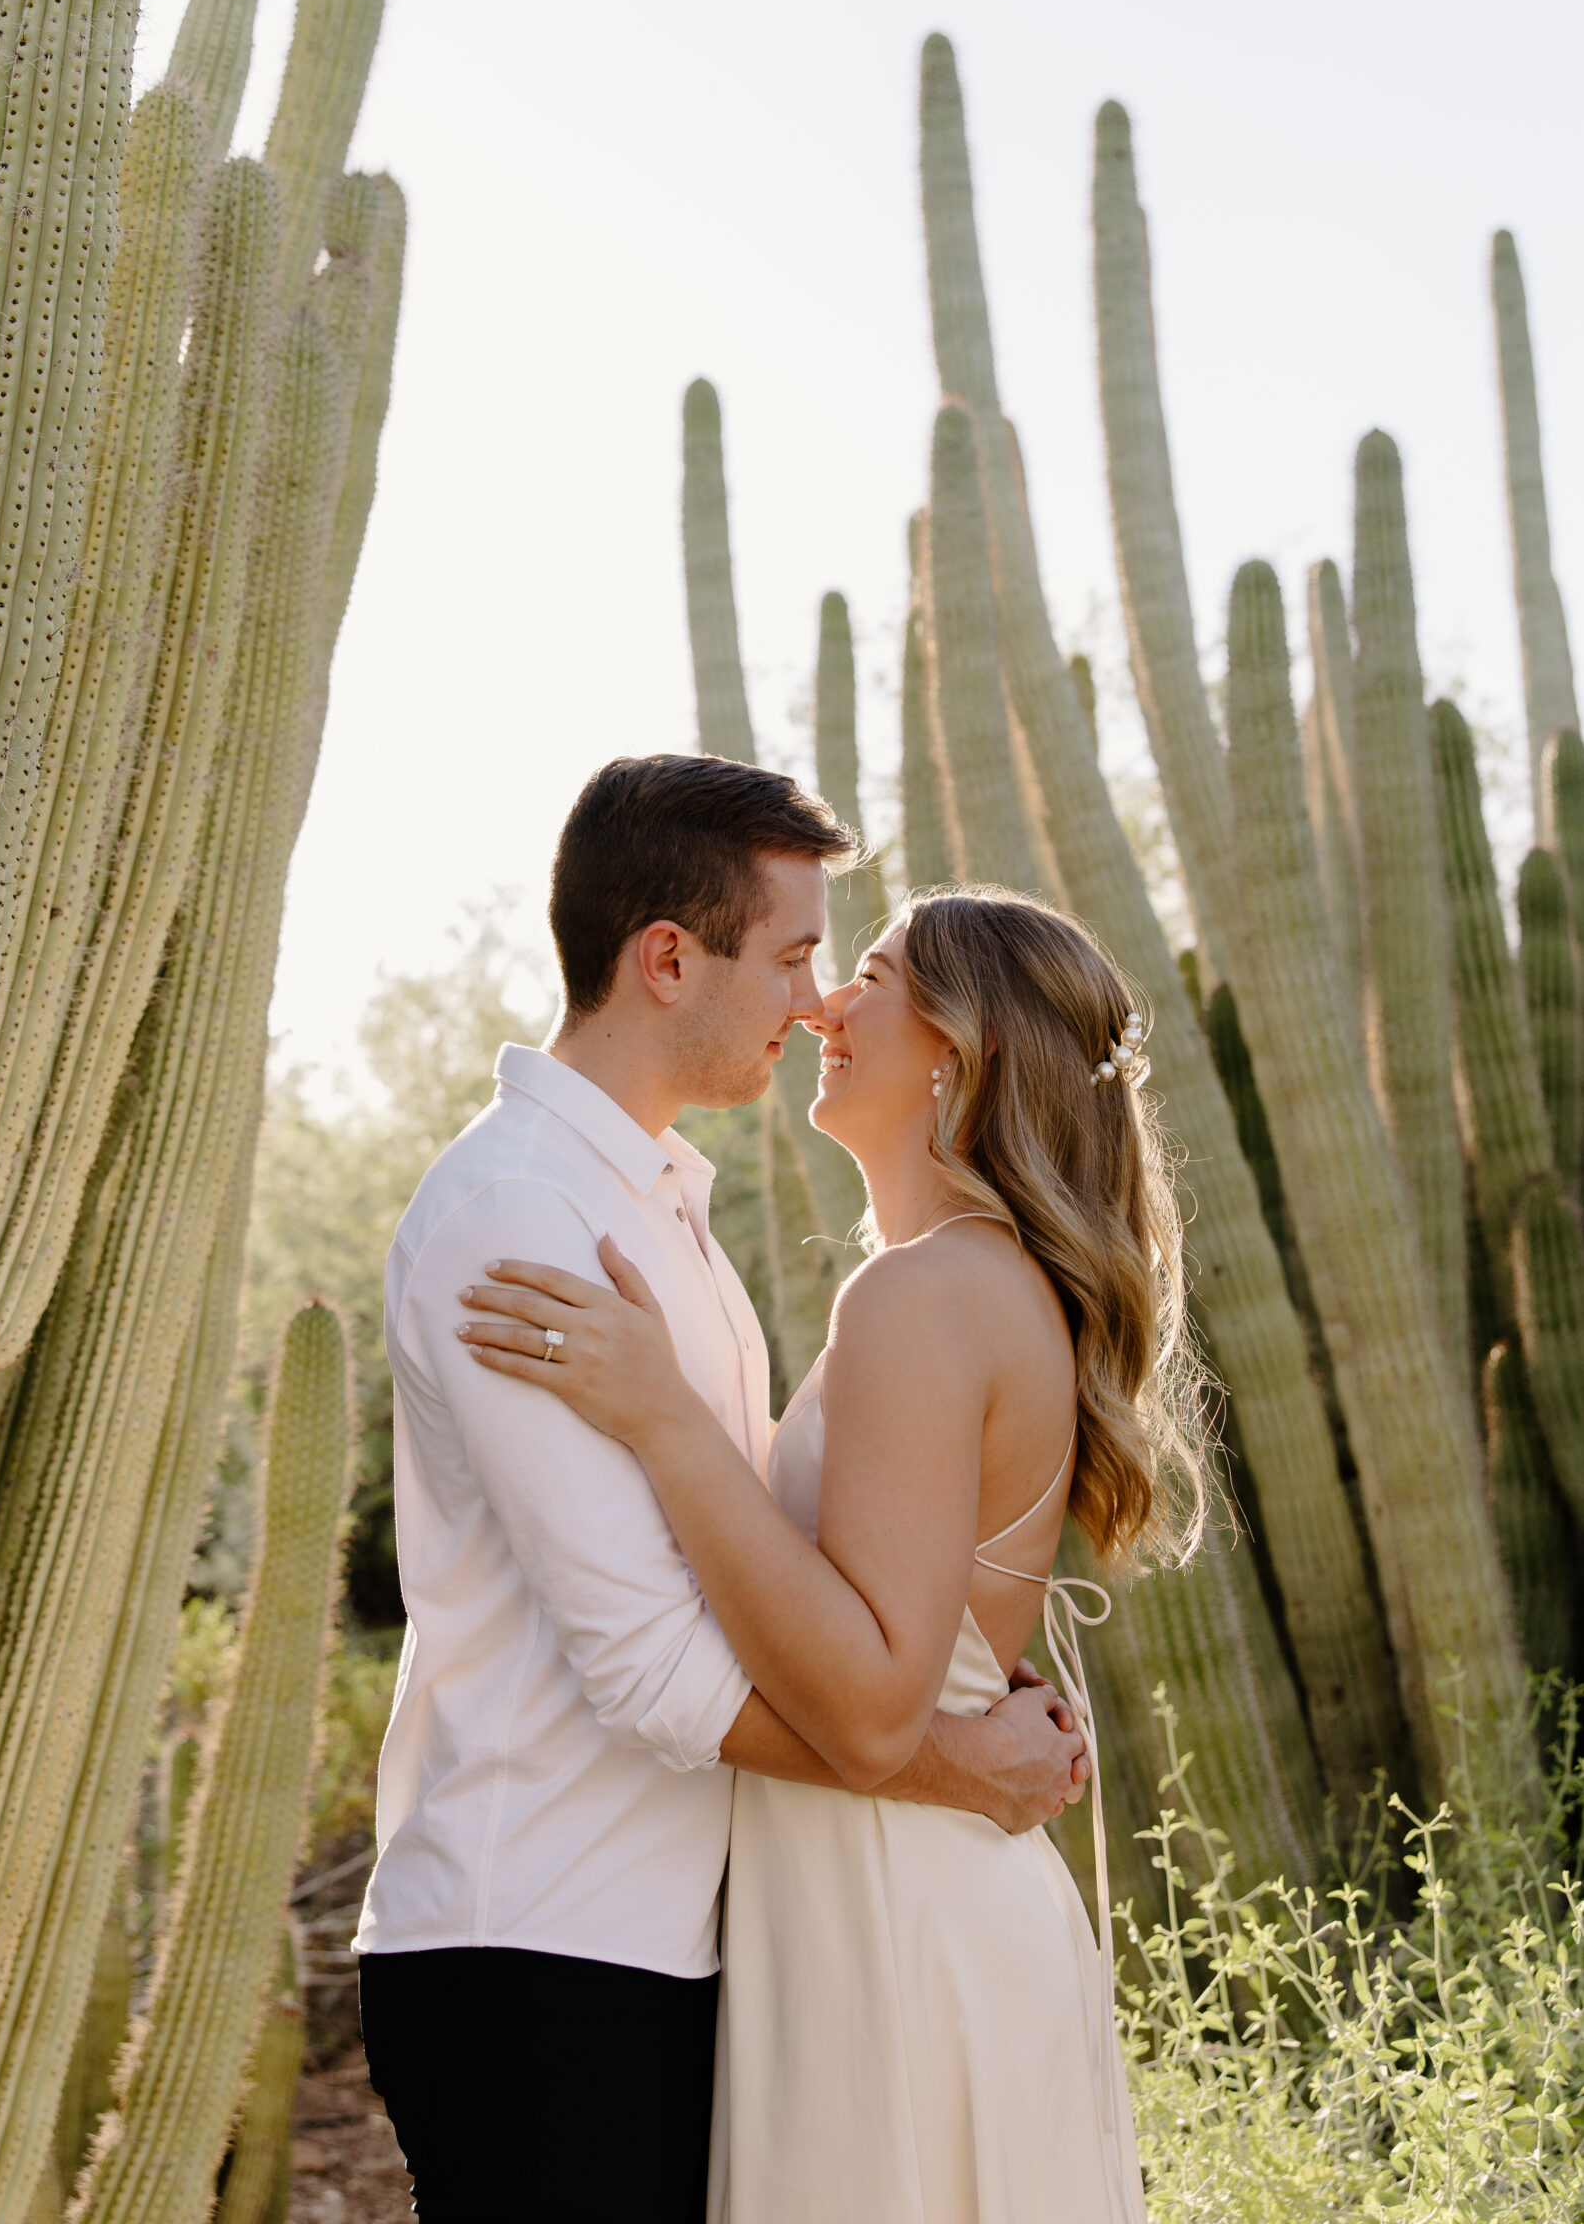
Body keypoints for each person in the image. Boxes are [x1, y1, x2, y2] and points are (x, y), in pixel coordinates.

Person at [355, 758, 1090, 2224]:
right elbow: (648, 1663)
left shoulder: (659, 1208)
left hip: (672, 1947)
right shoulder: (525, 1219)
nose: (814, 1001)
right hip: (541, 1948)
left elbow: (775, 1574)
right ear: (669, 958)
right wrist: (957, 1762)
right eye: (798, 954)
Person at [466, 884, 1209, 2224]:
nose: (823, 1005)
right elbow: (934, 1619)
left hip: (898, 1926)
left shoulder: (923, 1296)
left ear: (959, 1050)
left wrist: (663, 1421)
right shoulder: (971, 1286)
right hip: (902, 1907)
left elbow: (873, 1704)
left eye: (868, 973)